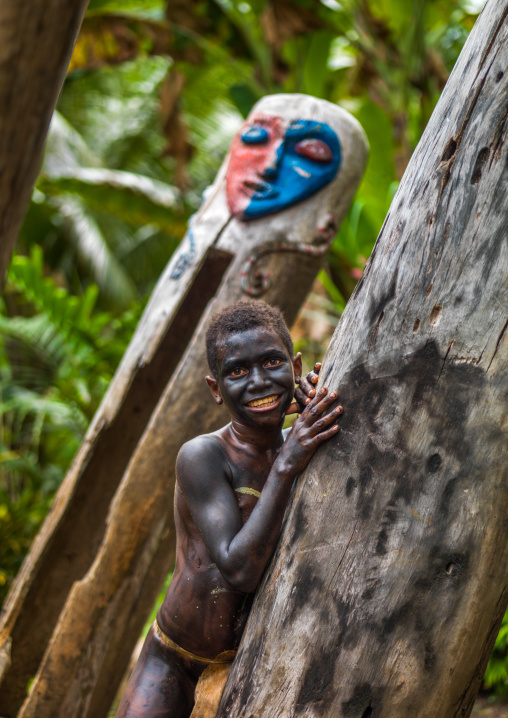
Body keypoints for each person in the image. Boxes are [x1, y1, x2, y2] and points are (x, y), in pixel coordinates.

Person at [116, 300, 343, 718]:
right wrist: (288, 459)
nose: (259, 381)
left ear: (294, 366)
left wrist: (316, 401)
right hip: (175, 660)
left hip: (257, 663)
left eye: (272, 362)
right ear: (215, 388)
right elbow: (238, 570)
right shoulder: (204, 456)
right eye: (237, 371)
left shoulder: (307, 439)